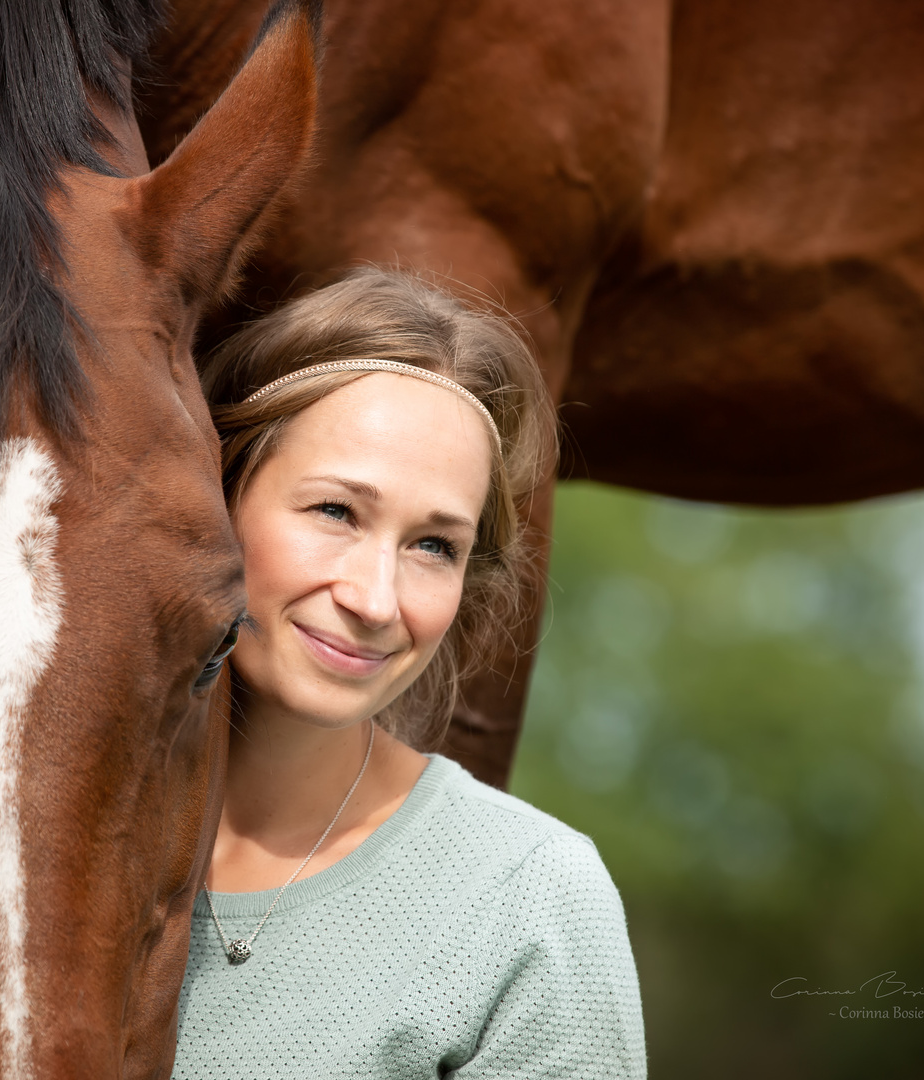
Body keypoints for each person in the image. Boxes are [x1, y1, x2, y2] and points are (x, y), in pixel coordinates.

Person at [174, 268, 646, 1079]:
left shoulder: (528, 897)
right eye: (335, 512)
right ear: (218, 492)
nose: (375, 599)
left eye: (434, 546)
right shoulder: (39, 836)